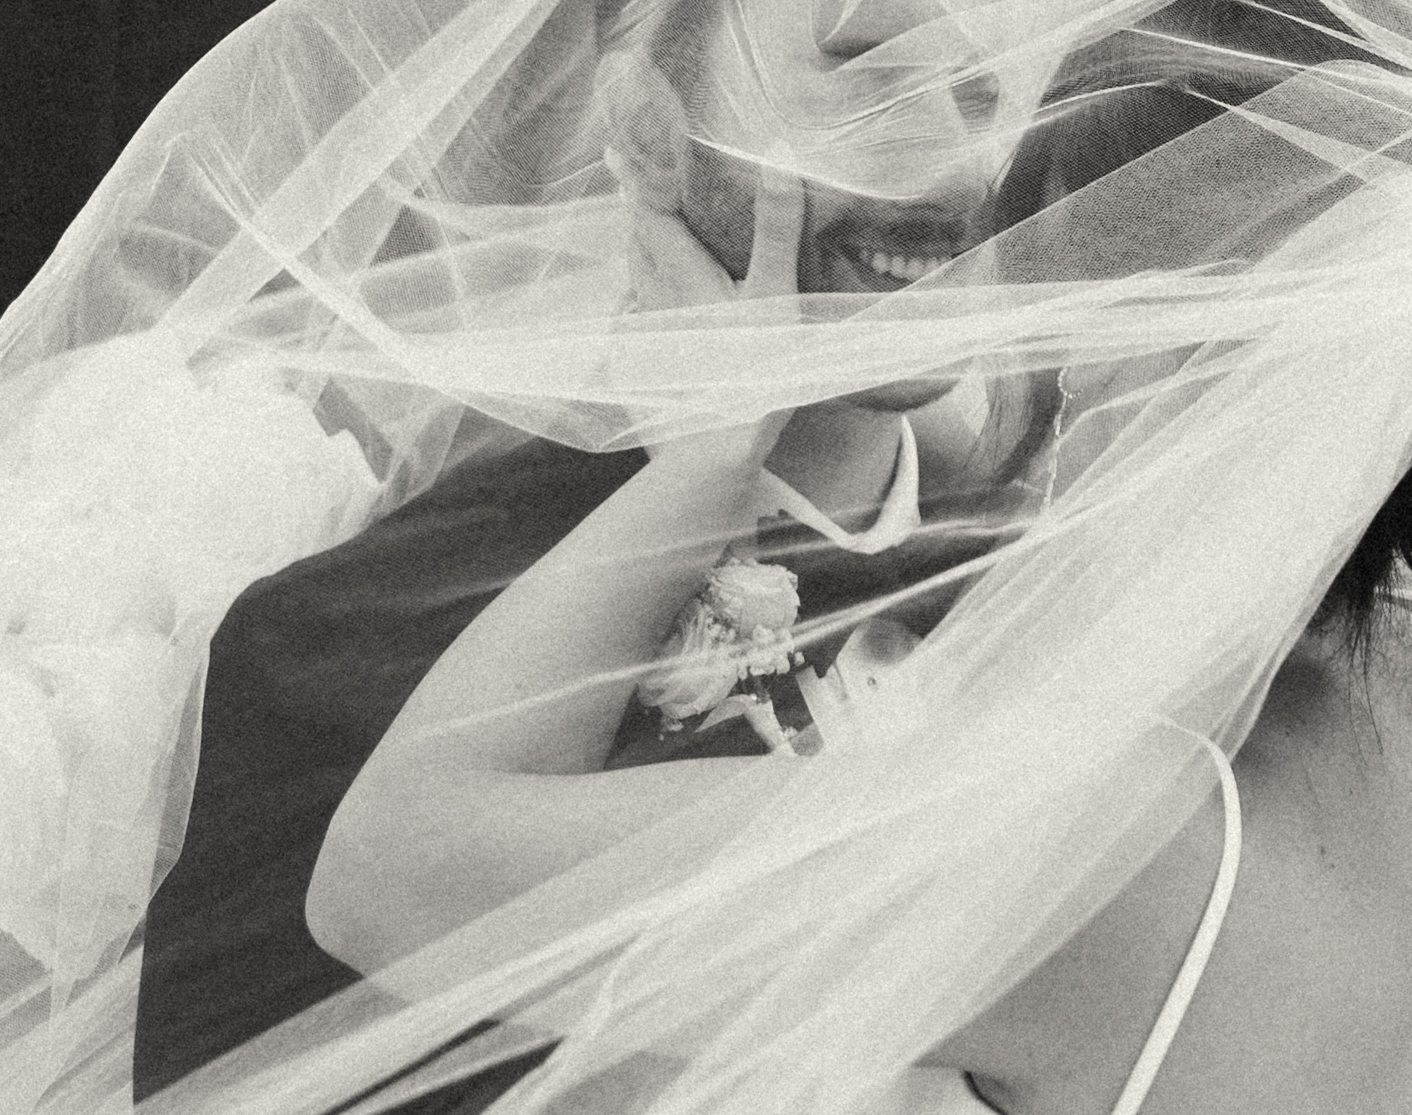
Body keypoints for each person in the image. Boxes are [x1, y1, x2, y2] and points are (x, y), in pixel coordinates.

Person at [3, 2, 1412, 1115]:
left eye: (1000, 97)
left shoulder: (1134, 675)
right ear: (647, 132)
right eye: (873, 66)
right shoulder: (339, 646)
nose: (974, 168)